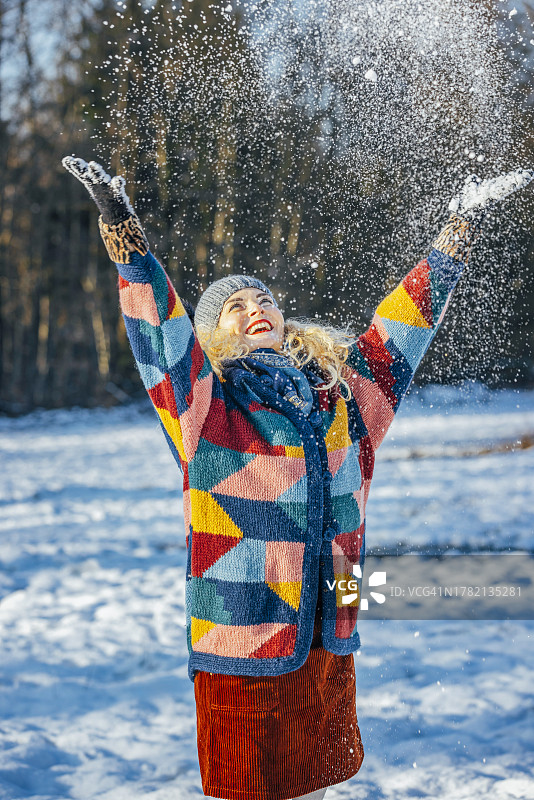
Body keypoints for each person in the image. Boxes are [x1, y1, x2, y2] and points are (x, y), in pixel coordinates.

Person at [62, 156, 532, 800]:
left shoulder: (344, 399)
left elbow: (400, 335)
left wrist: (451, 240)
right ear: (212, 333)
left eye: (265, 299)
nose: (255, 307)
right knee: (247, 788)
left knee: (313, 780)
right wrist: (127, 242)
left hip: (329, 629)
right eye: (235, 306)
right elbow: (161, 338)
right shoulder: (206, 407)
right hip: (244, 633)